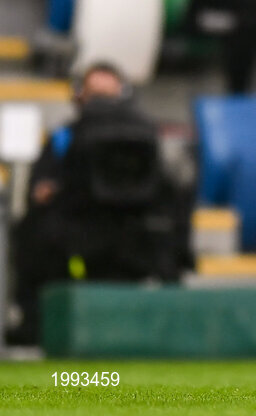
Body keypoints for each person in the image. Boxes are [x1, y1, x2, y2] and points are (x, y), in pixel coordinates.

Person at [10, 63, 188, 345]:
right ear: (80, 95)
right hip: (76, 238)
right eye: (96, 94)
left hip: (134, 238)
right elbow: (40, 189)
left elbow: (166, 190)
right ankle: (34, 323)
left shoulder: (145, 135)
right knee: (30, 231)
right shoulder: (63, 138)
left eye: (108, 94)